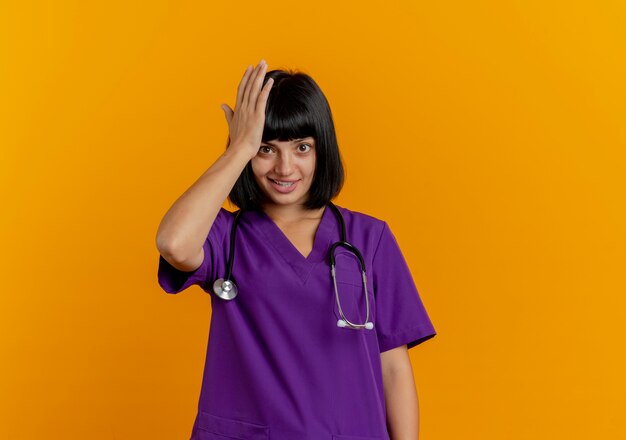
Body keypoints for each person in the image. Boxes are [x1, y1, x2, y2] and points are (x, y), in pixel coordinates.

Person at [155, 59, 437, 440]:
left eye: (302, 147)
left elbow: (393, 366)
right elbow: (173, 243)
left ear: (323, 150)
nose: (285, 168)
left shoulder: (368, 239)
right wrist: (239, 148)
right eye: (266, 149)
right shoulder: (225, 237)